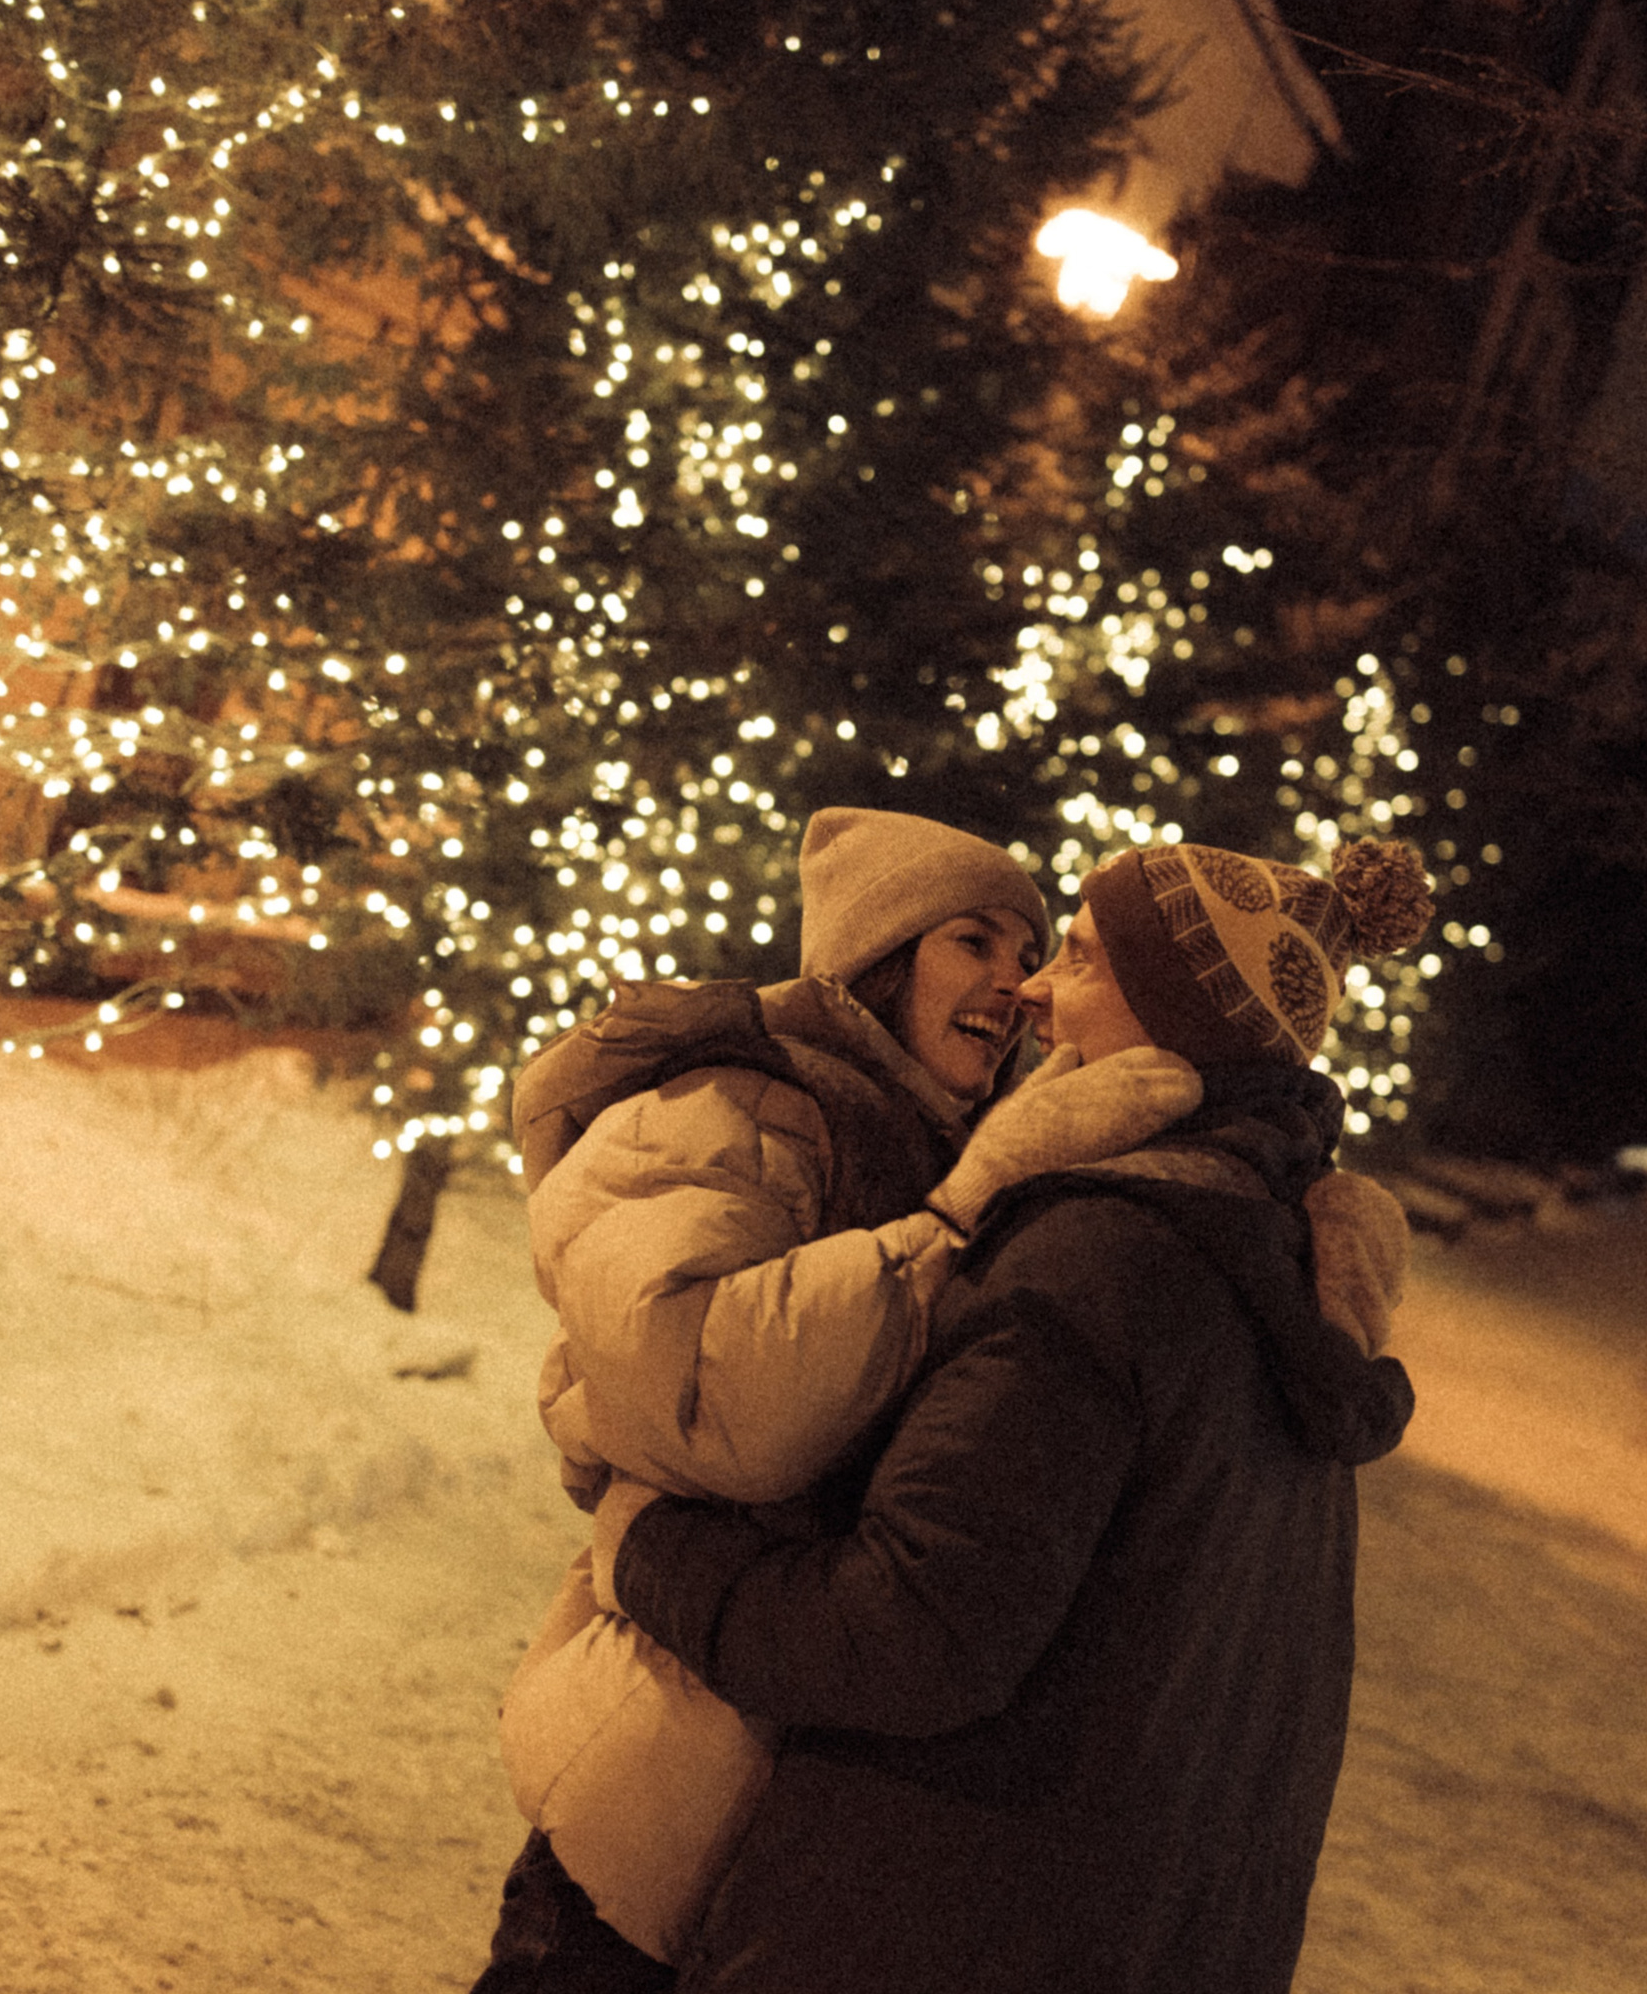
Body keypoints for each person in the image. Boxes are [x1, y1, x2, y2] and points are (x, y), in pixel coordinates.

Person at [598, 835, 1432, 1994]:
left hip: (930, 1926)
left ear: (1167, 1011)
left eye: (1077, 957)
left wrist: (657, 1549)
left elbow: (907, 1636)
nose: (1031, 988)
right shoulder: (1281, 1259)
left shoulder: (1101, 1257)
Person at [477, 807, 1207, 1989]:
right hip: (656, 1766)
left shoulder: (925, 1134)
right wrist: (959, 1211)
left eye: (1029, 954)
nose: (1014, 986)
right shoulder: (738, 1104)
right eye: (973, 939)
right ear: (879, 950)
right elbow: (712, 1396)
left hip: (784, 1790)